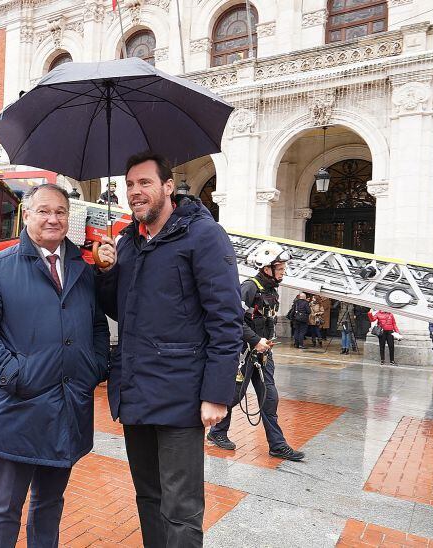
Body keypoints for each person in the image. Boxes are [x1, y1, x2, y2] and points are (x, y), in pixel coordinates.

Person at [95, 152, 243, 547]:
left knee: (181, 507)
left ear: (166, 187)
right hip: (136, 390)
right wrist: (107, 272)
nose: (135, 192)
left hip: (181, 394)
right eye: (129, 185)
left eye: (144, 183)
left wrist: (216, 394)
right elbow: (117, 308)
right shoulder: (127, 241)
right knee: (148, 497)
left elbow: (226, 319)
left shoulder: (203, 235)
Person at [0, 183, 110, 548]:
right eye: (43, 210)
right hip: (21, 408)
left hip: (69, 406)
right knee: (5, 506)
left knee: (50, 504)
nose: (52, 218)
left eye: (60, 211)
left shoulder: (83, 269)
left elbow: (97, 327)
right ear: (26, 215)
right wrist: (14, 374)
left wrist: (95, 366)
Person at [205, 241, 306, 462]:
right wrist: (255, 340)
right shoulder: (249, 288)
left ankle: (277, 445)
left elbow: (267, 319)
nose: (283, 271)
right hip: (244, 353)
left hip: (263, 353)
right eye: (280, 268)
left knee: (269, 397)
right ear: (267, 268)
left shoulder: (271, 291)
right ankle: (217, 432)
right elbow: (234, 321)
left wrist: (268, 341)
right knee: (234, 395)